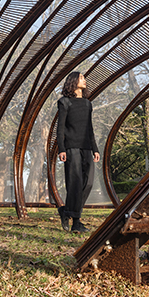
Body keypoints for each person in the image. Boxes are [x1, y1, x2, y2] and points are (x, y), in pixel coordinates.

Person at [56, 71, 100, 233]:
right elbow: (60, 128)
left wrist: (95, 149)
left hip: (87, 147)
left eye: (84, 78)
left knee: (87, 183)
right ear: (73, 81)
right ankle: (76, 222)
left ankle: (66, 210)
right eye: (81, 78)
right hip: (71, 148)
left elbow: (90, 129)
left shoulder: (88, 104)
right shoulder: (64, 102)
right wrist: (62, 149)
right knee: (74, 184)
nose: (85, 80)